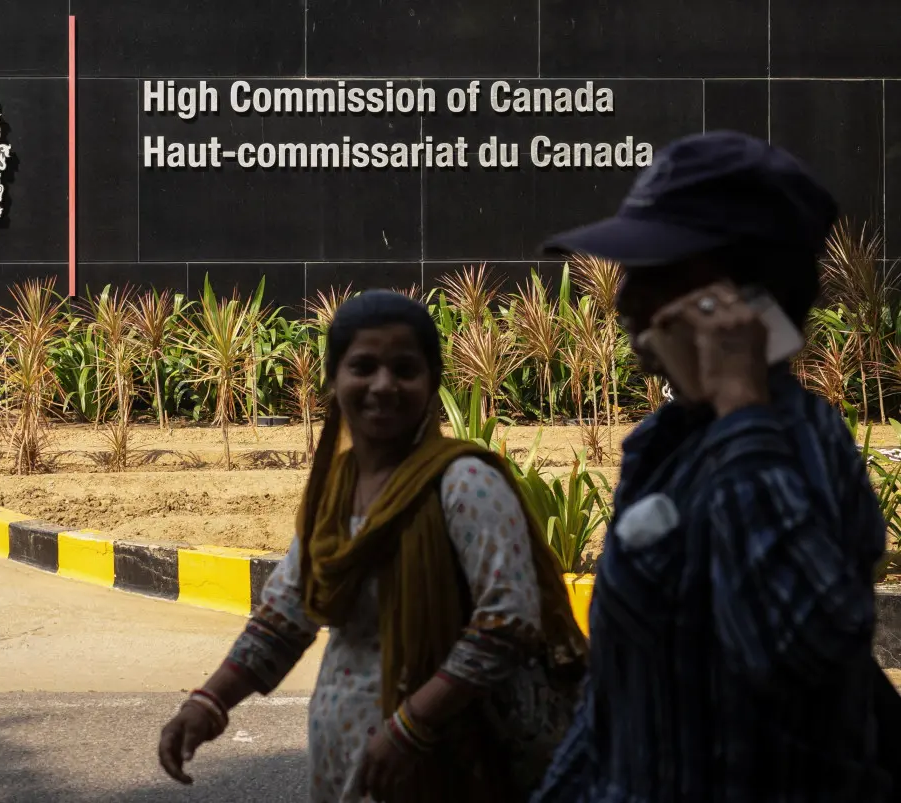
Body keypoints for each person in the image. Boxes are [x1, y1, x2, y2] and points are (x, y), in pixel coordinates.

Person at [529, 131, 901, 802]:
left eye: (651, 271)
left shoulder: (801, 444)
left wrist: (744, 407)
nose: (624, 298)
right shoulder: (662, 443)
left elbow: (797, 651)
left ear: (736, 298)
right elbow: (618, 706)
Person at [158, 290, 588, 802]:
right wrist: (208, 703)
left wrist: (410, 727)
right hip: (348, 761)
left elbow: (508, 623)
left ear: (432, 383)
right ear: (334, 381)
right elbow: (287, 615)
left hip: (452, 754)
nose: (383, 385)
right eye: (363, 366)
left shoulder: (464, 483)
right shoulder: (335, 490)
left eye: (404, 369)